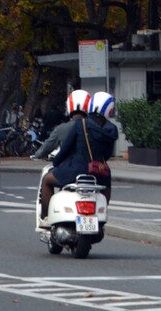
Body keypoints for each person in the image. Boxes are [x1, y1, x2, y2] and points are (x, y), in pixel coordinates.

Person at [38, 90, 114, 223]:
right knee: (107, 185)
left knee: (47, 180)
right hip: (98, 173)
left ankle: (46, 216)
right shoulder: (111, 129)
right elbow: (107, 155)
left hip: (75, 170)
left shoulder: (81, 124)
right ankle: (100, 217)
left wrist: (57, 162)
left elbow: (66, 148)